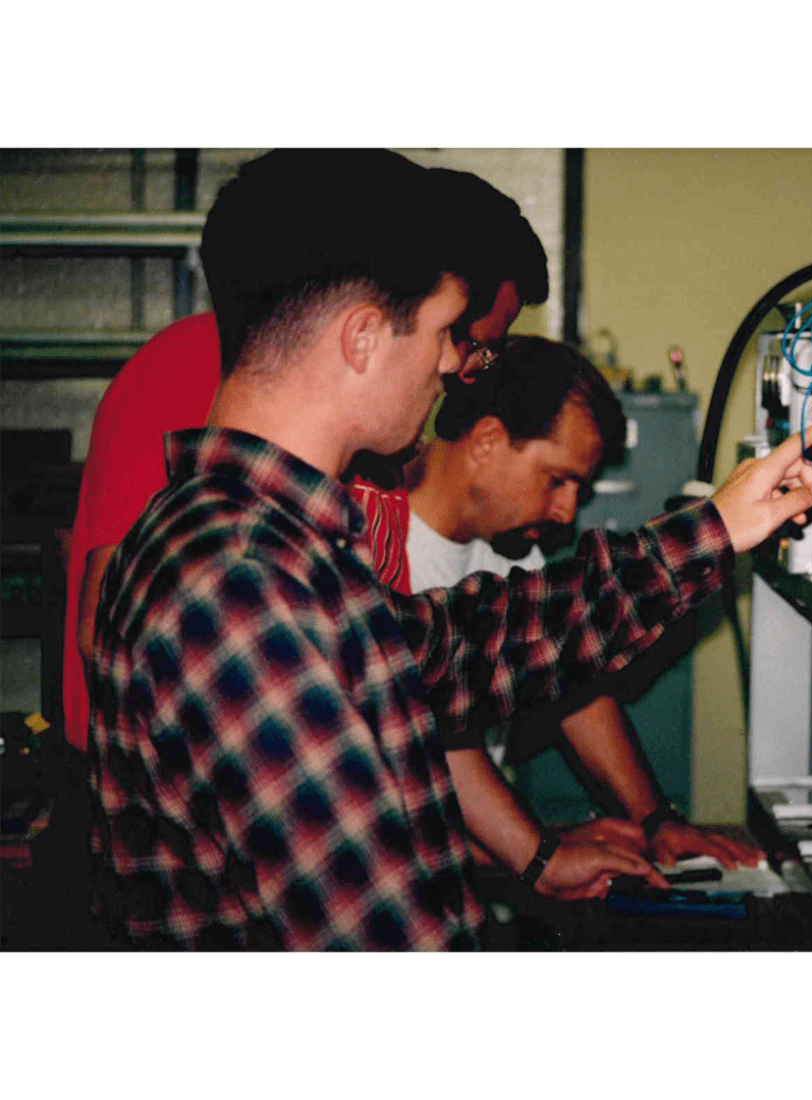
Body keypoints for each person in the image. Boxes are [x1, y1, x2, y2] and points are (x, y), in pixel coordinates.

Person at [87, 146, 812, 950]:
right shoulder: (240, 589)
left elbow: (472, 646)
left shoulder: (279, 548)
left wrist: (715, 528)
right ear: (364, 338)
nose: (453, 362)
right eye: (446, 330)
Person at [65, 154, 658, 906]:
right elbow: (130, 629)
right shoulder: (211, 393)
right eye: (465, 333)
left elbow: (413, 676)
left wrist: (532, 858)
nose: (463, 367)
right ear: (371, 326)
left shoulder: (361, 468)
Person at [404, 334, 762, 869]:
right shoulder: (381, 550)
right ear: (486, 442)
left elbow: (571, 681)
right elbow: (432, 756)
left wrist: (656, 821)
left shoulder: (508, 552)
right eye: (558, 480)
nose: (568, 512)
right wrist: (542, 853)